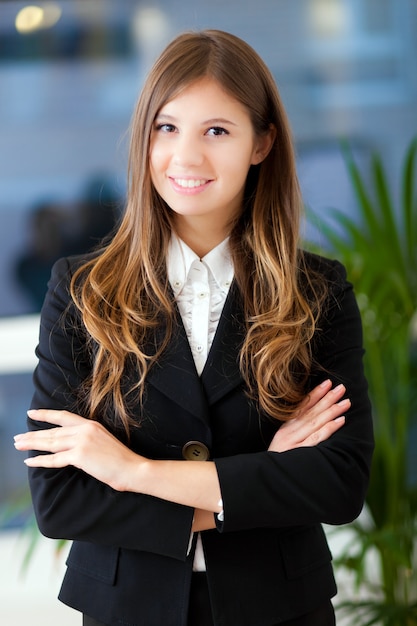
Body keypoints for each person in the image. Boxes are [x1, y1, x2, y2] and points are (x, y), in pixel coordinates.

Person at [14, 30, 374, 626]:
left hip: (281, 608)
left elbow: (337, 483)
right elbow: (61, 501)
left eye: (217, 131)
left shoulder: (317, 290)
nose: (186, 157)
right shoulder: (82, 291)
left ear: (261, 143)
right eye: (167, 127)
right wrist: (255, 482)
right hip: (127, 609)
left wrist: (136, 473)